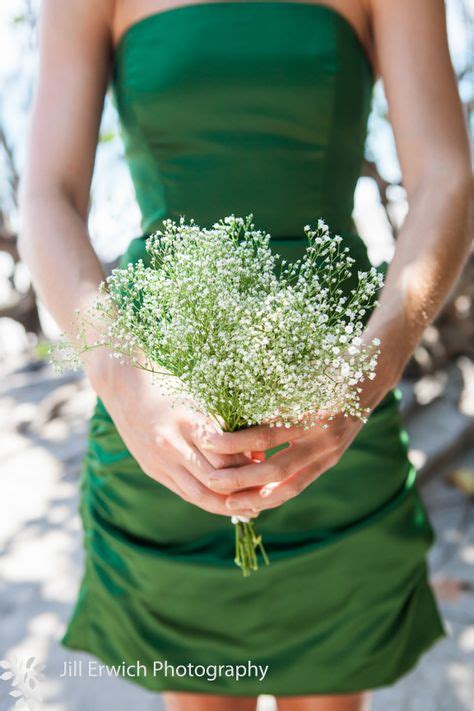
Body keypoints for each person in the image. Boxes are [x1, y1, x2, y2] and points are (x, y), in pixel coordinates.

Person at [19, 1, 471, 709]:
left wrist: (362, 377)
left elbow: (445, 176)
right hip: (158, 415)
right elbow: (48, 192)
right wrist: (121, 377)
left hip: (341, 403)